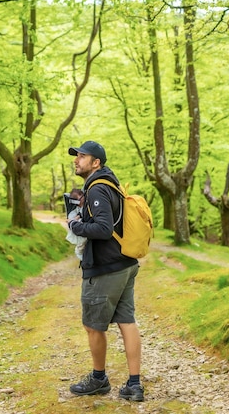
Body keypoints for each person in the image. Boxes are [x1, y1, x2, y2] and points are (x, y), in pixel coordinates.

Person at [66, 140, 144, 402]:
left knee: (93, 326)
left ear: (96, 162)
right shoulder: (111, 184)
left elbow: (102, 228)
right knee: (127, 321)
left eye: (82, 156)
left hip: (105, 268)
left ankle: (99, 379)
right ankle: (134, 385)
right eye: (76, 156)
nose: (76, 160)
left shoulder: (98, 188)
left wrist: (75, 225)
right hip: (126, 263)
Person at [65, 188, 87, 260]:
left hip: (88, 229)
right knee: (79, 250)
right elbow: (76, 215)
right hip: (81, 231)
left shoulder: (89, 204)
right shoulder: (77, 208)